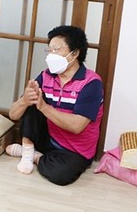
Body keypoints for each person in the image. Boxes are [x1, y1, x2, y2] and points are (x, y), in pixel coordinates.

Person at [7, 25, 103, 186]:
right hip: (49, 138)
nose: (51, 55)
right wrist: (25, 101)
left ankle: (36, 156)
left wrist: (44, 107)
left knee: (60, 175)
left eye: (56, 50)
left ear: (75, 53)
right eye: (49, 50)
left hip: (74, 150)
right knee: (33, 98)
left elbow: (77, 126)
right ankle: (28, 152)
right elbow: (13, 115)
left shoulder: (91, 83)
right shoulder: (46, 76)